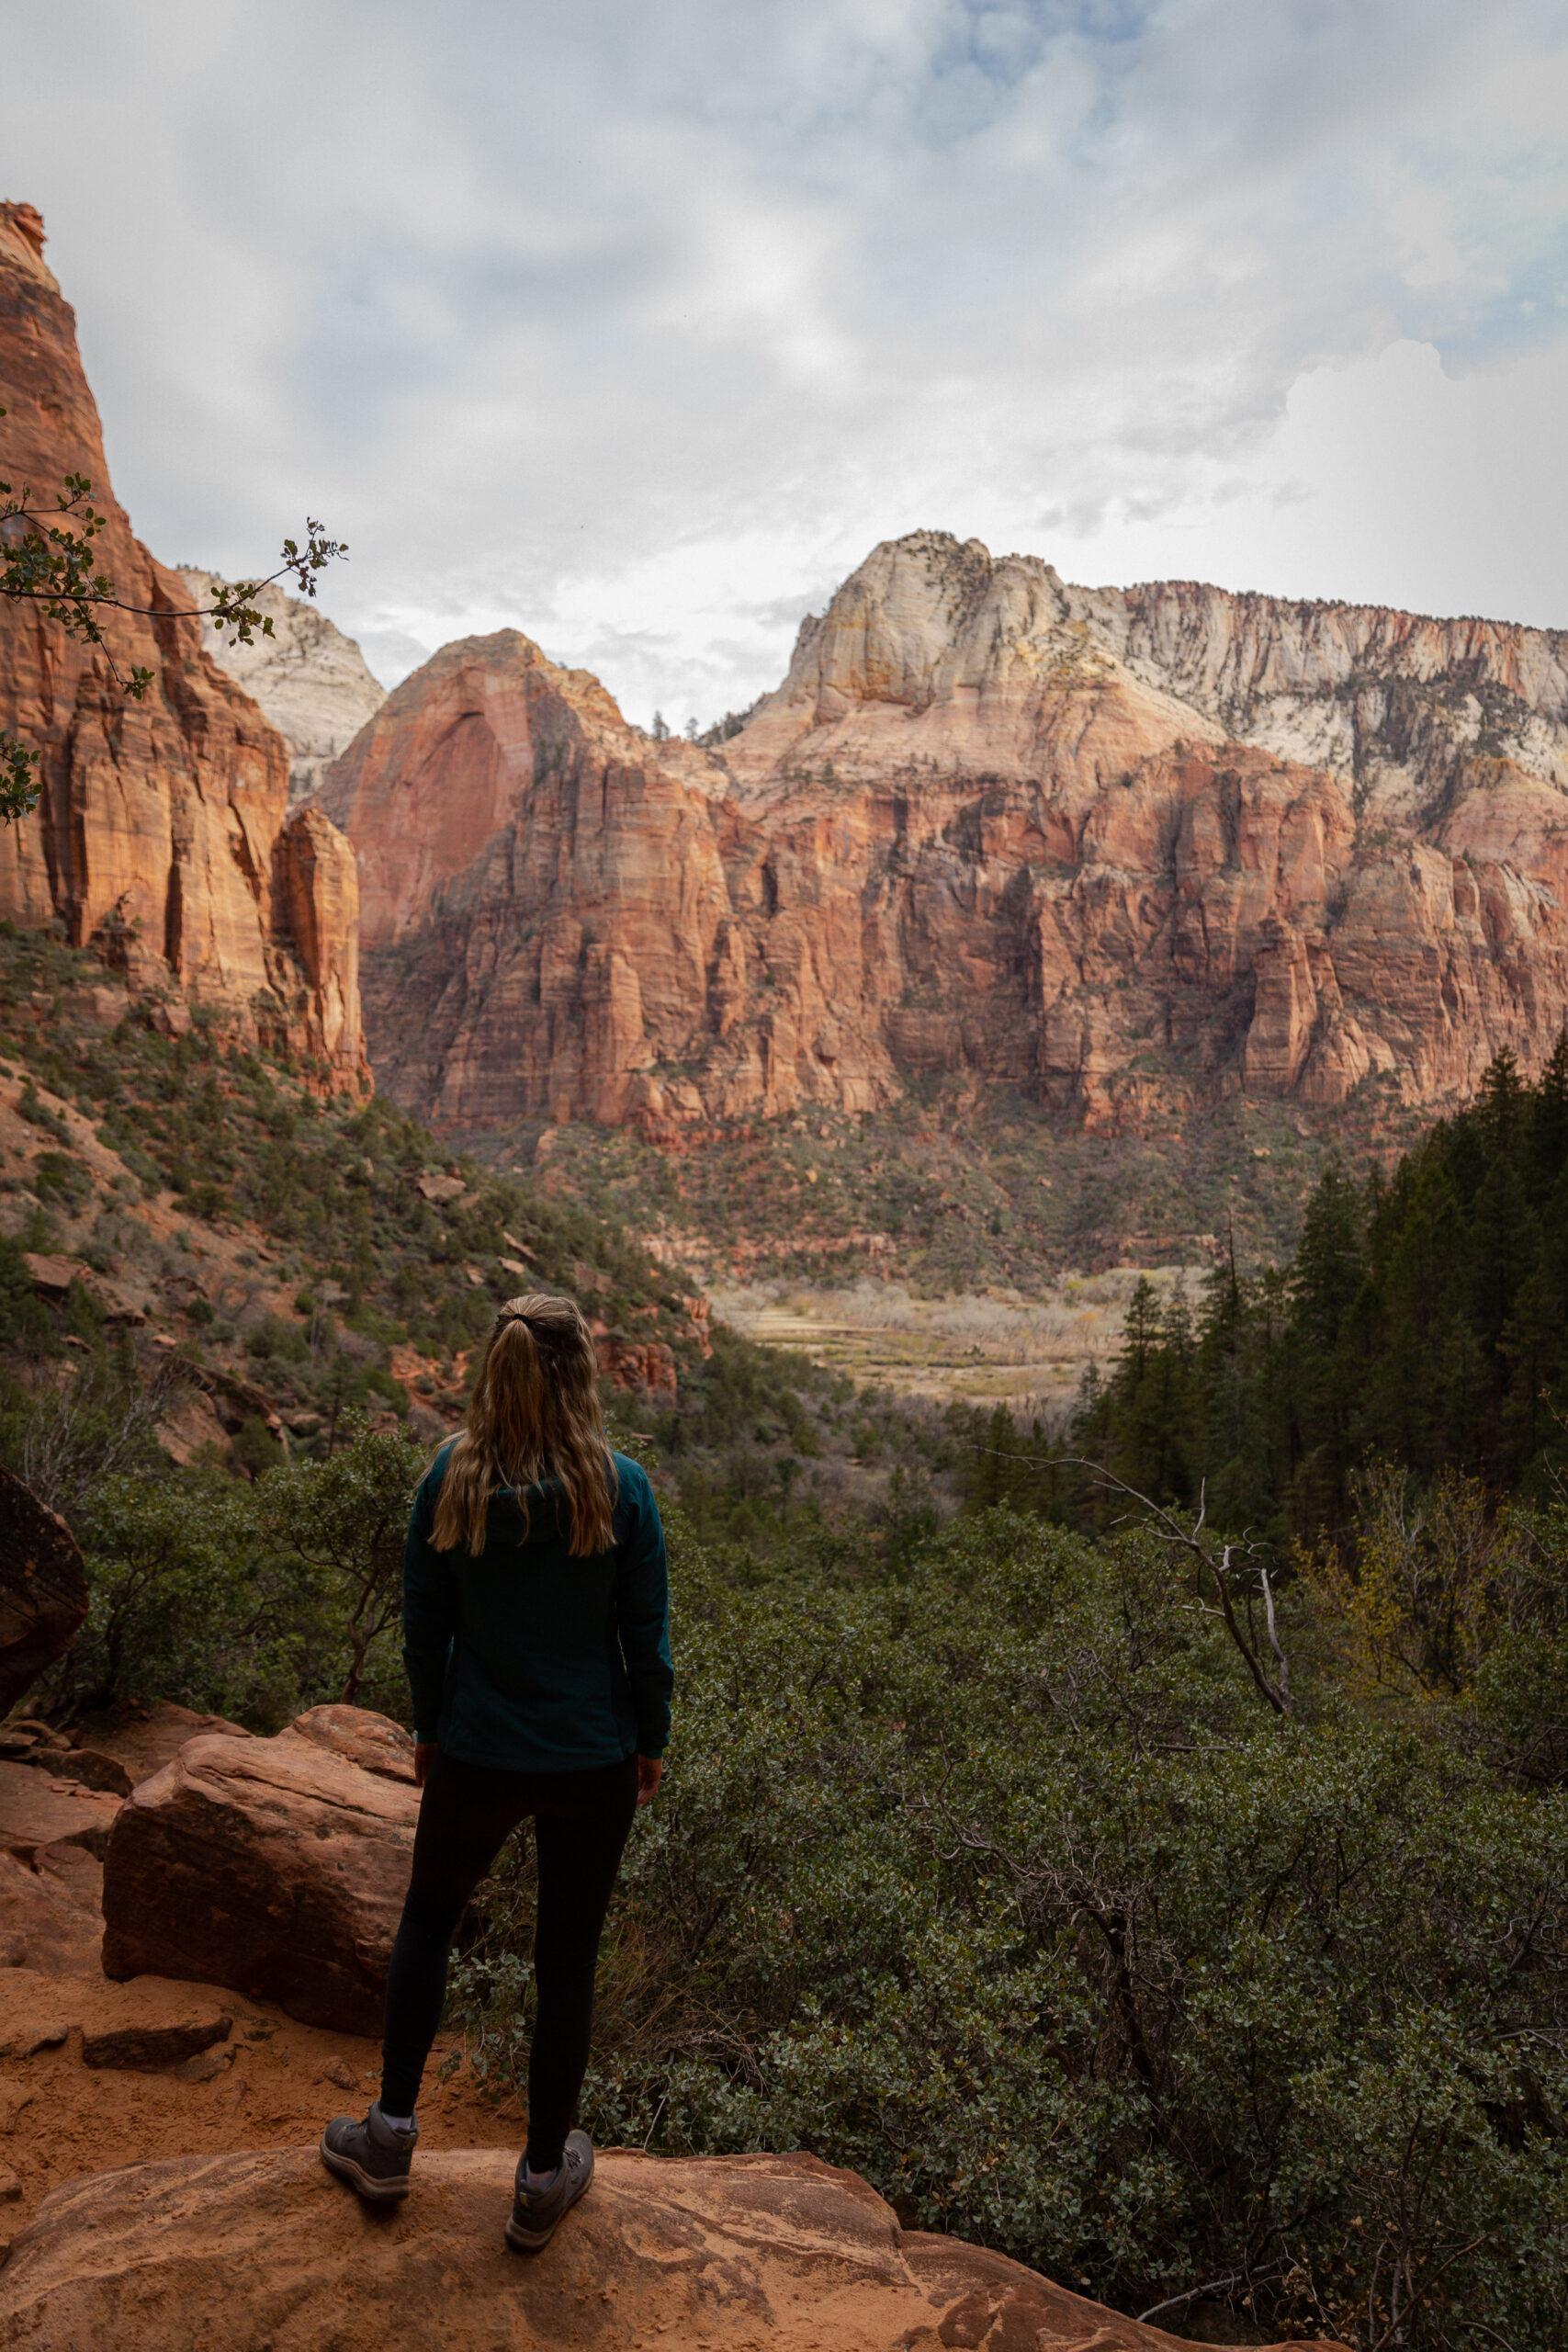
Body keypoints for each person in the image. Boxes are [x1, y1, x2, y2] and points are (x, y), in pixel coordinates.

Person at [320, 1291, 672, 2253]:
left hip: (477, 1746)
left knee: (429, 1922)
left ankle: (388, 2137)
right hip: (590, 1756)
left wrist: (432, 1729)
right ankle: (541, 2178)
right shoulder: (620, 1485)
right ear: (579, 1374)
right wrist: (653, 1738)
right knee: (565, 1962)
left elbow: (424, 1619)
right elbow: (645, 1635)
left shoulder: (450, 1478)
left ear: (494, 1366)